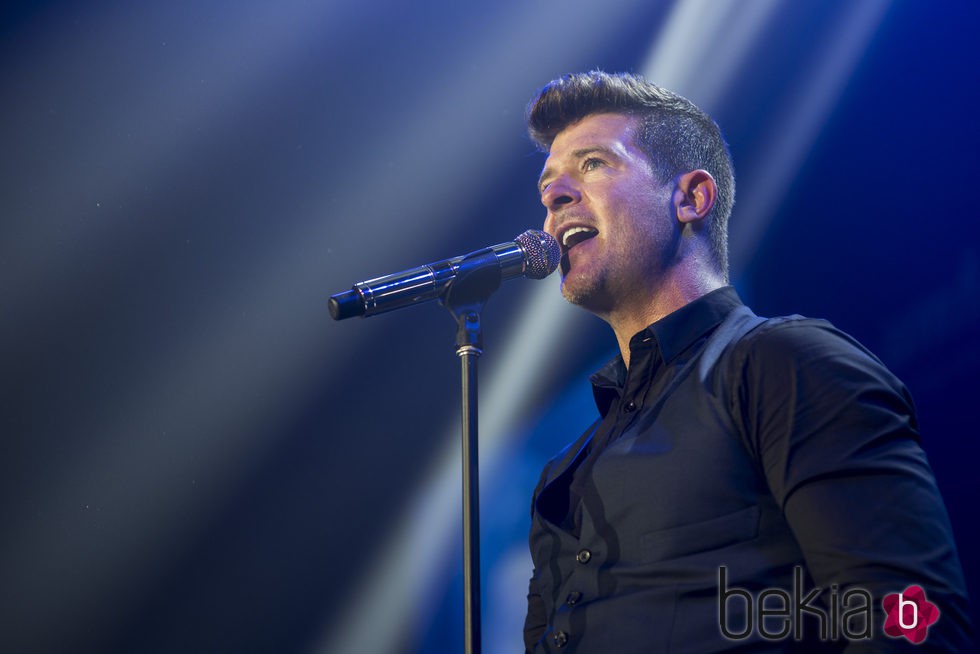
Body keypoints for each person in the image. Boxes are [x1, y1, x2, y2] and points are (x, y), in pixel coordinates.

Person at [522, 71, 972, 653]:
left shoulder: (786, 364)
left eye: (593, 165)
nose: (555, 197)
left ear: (691, 198)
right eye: (548, 188)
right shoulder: (566, 468)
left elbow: (910, 621)